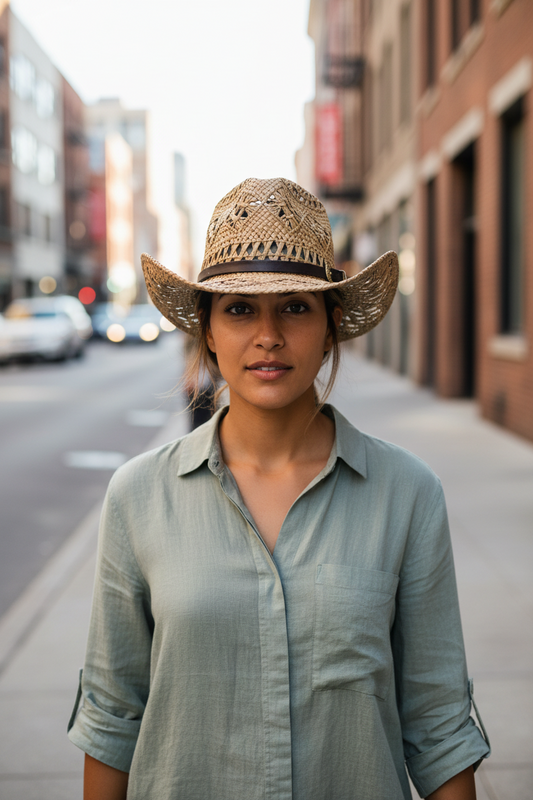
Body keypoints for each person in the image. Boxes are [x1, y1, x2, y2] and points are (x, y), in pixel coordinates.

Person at [68, 177, 490, 800]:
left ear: (331, 328)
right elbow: (112, 717)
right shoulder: (138, 497)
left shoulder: (407, 495)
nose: (268, 334)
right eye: (240, 309)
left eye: (295, 306)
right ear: (208, 331)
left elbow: (439, 724)